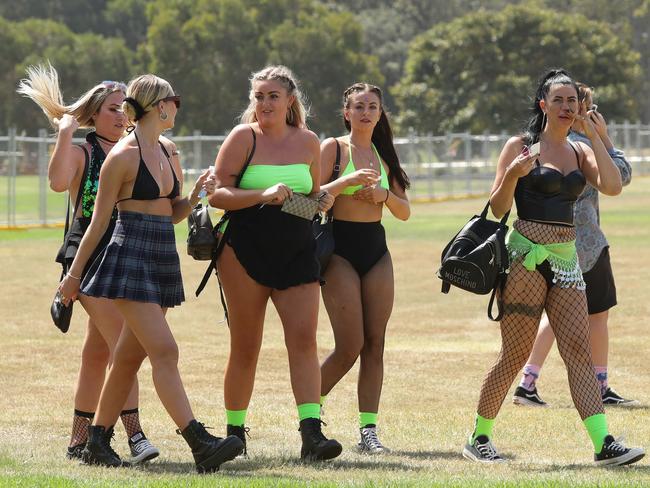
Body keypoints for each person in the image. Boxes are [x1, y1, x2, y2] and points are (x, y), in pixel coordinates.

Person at [58, 74, 244, 471]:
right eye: (174, 100)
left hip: (160, 253)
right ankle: (199, 441)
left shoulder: (166, 149)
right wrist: (72, 278)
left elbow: (171, 212)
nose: (177, 106)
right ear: (159, 105)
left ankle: (96, 441)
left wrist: (194, 195)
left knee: (127, 357)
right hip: (130, 257)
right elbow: (95, 223)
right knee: (165, 350)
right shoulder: (122, 156)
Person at [462, 68, 644, 466]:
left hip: (566, 260)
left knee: (578, 350)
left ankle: (603, 443)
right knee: (515, 353)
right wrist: (513, 173)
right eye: (558, 100)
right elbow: (497, 208)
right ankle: (479, 437)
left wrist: (596, 136)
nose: (566, 106)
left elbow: (612, 186)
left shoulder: (581, 151)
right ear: (543, 104)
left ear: (581, 106)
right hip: (526, 256)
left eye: (572, 101)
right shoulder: (520, 145)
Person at [17, 64, 159, 463]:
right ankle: (134, 435)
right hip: (89, 258)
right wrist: (64, 133)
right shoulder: (84, 150)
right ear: (94, 115)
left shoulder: (136, 148)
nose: (120, 116)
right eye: (112, 109)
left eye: (123, 109)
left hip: (126, 255)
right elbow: (59, 183)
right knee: (124, 348)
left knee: (98, 354)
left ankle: (79, 442)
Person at [208, 65, 341, 461]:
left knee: (304, 341)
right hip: (243, 250)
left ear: (290, 100)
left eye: (272, 96)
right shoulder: (242, 137)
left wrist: (322, 201)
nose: (264, 103)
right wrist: (261, 194)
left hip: (298, 249)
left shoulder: (309, 141)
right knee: (246, 346)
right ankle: (235, 434)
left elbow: (312, 197)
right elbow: (217, 194)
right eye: (259, 96)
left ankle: (312, 435)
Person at [513, 82, 636, 408]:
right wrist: (603, 136)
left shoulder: (549, 145)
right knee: (593, 317)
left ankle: (528, 382)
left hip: (555, 242)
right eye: (586, 107)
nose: (582, 111)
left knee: (557, 320)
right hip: (583, 245)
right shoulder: (580, 146)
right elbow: (621, 176)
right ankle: (598, 385)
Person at [317, 83, 410, 454]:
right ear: (347, 112)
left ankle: (368, 431)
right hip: (339, 249)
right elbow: (315, 201)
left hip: (377, 251)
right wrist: (346, 183)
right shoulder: (333, 148)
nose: (366, 112)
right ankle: (310, 413)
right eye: (359, 106)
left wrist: (384, 195)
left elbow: (404, 211)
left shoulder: (384, 156)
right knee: (349, 345)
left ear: (380, 112)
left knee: (375, 344)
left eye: (373, 106)